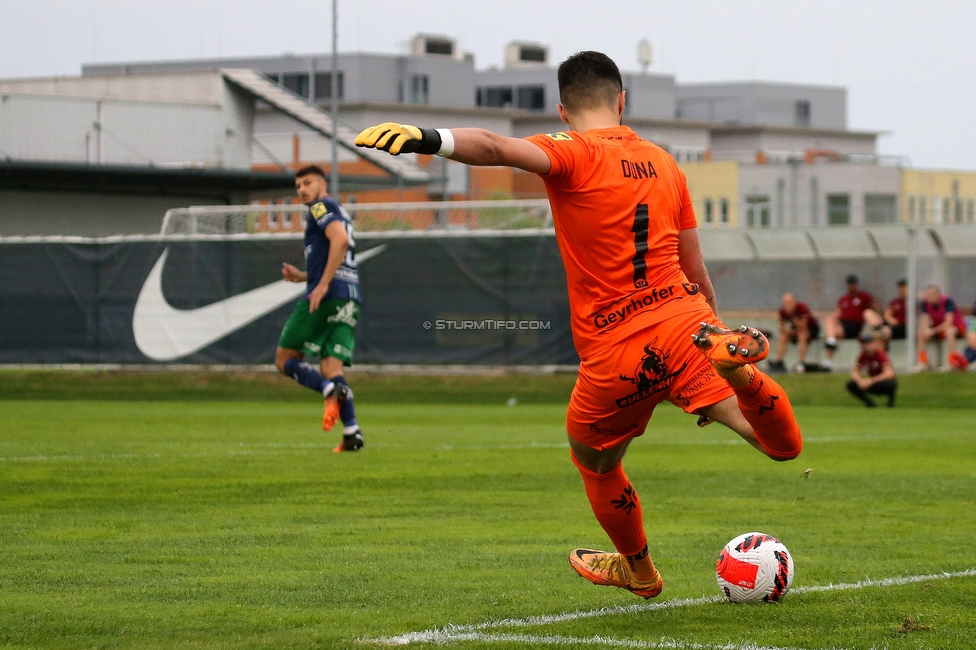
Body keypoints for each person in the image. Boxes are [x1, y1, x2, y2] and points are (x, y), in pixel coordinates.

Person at [355, 51, 802, 600]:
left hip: (617, 348)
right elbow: (695, 269)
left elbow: (495, 148)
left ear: (563, 111)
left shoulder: (573, 152)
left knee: (594, 459)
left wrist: (427, 136)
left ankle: (639, 570)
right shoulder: (666, 163)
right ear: (622, 101)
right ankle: (740, 374)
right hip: (692, 328)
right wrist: (710, 333)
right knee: (777, 445)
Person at [275, 164, 364, 453]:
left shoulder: (320, 206)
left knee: (284, 358)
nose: (302, 190)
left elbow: (340, 240)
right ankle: (352, 432)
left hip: (328, 295)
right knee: (330, 366)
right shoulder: (339, 210)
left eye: (307, 183)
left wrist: (321, 285)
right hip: (350, 296)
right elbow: (338, 250)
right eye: (298, 185)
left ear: (322, 185)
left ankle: (329, 391)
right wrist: (303, 276)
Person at [821, 274, 883, 370]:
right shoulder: (843, 299)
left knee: (868, 313)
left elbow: (875, 309)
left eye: (853, 284)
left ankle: (878, 332)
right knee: (829, 321)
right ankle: (829, 358)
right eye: (850, 284)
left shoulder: (864, 297)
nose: (851, 286)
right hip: (844, 327)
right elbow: (838, 313)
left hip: (858, 326)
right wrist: (835, 319)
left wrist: (877, 314)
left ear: (857, 285)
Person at [917, 284, 966, 370]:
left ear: (938, 294)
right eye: (928, 295)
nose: (930, 297)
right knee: (921, 333)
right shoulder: (926, 304)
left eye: (932, 294)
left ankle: (952, 362)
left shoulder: (947, 301)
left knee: (949, 331)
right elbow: (924, 321)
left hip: (957, 327)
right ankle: (922, 362)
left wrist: (933, 331)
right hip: (939, 329)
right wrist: (926, 330)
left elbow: (948, 323)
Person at [769, 293, 820, 373]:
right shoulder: (782, 311)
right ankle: (779, 361)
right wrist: (788, 332)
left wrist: (794, 322)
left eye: (790, 303)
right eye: (785, 303)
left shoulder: (801, 308)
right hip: (794, 331)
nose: (788, 305)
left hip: (810, 329)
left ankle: (801, 362)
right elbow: (781, 327)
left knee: (802, 335)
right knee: (783, 337)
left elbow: (804, 325)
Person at [845, 333, 897, 407]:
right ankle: (869, 403)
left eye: (867, 343)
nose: (865, 346)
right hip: (871, 382)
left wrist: (870, 381)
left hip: (880, 382)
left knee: (892, 384)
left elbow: (889, 373)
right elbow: (855, 370)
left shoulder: (880, 354)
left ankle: (891, 404)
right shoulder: (863, 354)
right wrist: (860, 381)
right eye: (863, 343)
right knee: (851, 384)